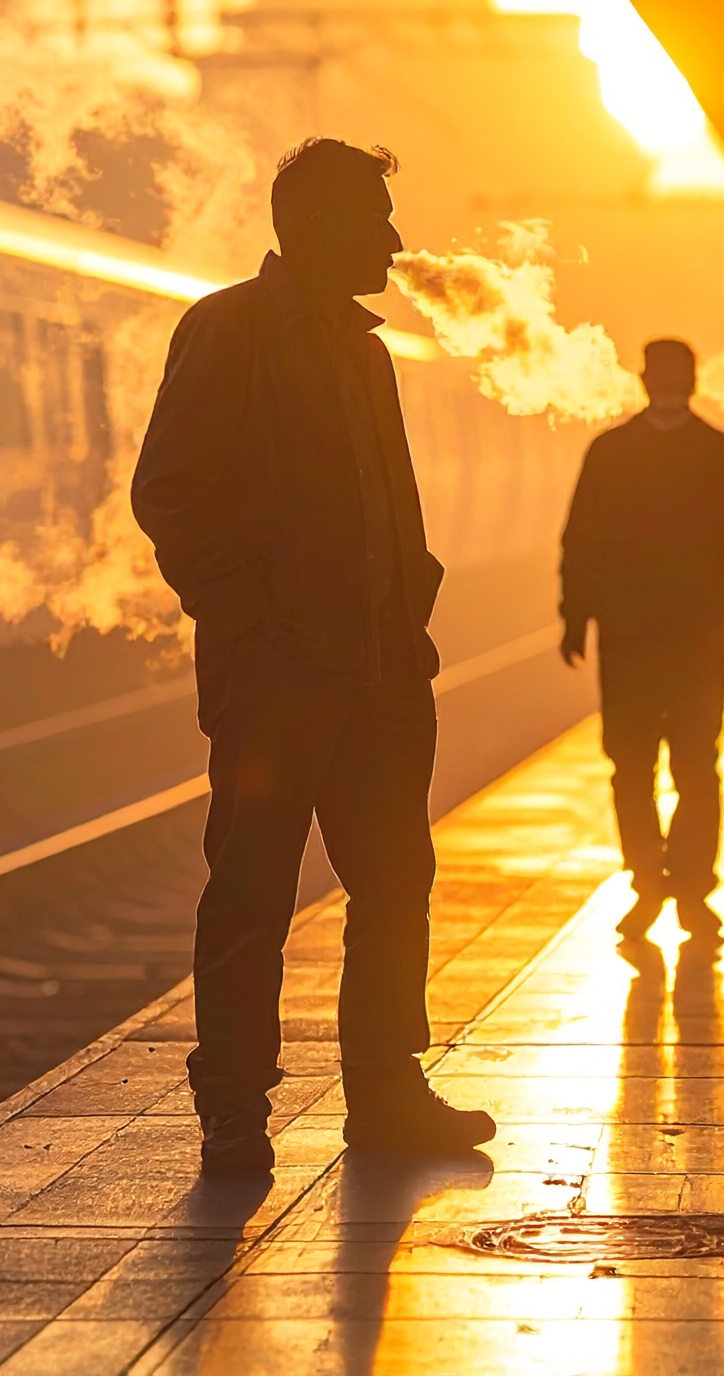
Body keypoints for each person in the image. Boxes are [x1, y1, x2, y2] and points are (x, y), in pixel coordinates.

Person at [131, 138, 495, 1178]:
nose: (393, 238)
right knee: (251, 891)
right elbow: (170, 492)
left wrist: (408, 609)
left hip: (380, 676)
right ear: (321, 226)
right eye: (376, 219)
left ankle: (387, 1092)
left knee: (395, 882)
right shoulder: (229, 332)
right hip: (276, 679)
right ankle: (235, 1109)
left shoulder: (363, 349)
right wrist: (248, 622)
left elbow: (389, 502)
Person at [559, 339, 724, 944]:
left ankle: (668, 885)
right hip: (679, 640)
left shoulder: (614, 451)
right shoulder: (719, 453)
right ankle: (674, 889)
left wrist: (579, 616)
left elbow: (580, 543)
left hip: (645, 639)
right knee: (683, 766)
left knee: (646, 766)